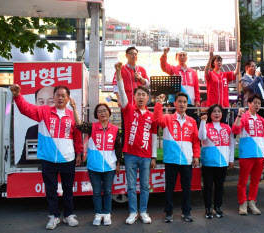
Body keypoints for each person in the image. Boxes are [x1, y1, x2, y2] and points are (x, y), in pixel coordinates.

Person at [10, 84, 83, 230]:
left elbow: (77, 136)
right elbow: (26, 109)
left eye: (63, 95)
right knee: (51, 190)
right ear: (53, 98)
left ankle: (69, 215)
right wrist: (18, 96)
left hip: (67, 159)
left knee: (68, 190)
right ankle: (54, 216)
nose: (60, 98)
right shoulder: (43, 111)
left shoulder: (72, 115)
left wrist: (79, 153)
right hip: (48, 159)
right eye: (57, 95)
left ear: (68, 98)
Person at [115, 62, 158, 225]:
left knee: (145, 186)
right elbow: (120, 88)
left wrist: (154, 156)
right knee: (131, 186)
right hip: (130, 155)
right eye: (138, 94)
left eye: (143, 95)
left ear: (147, 98)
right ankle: (133, 212)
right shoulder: (128, 109)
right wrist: (119, 72)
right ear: (134, 97)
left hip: (146, 157)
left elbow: (154, 136)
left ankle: (144, 212)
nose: (140, 97)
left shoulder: (151, 115)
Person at [70, 100, 122, 226]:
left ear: (109, 113)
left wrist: (118, 163)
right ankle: (98, 214)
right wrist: (75, 108)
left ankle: (107, 214)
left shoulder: (115, 129)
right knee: (97, 192)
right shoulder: (92, 127)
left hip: (110, 166)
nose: (102, 113)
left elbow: (118, 147)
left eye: (104, 110)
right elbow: (79, 124)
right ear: (96, 115)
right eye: (99, 111)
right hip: (94, 166)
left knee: (108, 191)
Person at [153, 92, 200, 223]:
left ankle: (187, 212)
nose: (182, 104)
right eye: (179, 101)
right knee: (169, 188)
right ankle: (168, 213)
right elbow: (156, 120)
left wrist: (196, 156)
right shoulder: (167, 118)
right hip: (171, 160)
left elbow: (196, 141)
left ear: (187, 104)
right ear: (175, 103)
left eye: (184, 102)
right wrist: (159, 103)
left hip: (187, 160)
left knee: (186, 188)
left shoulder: (192, 121)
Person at [232, 93, 264, 215]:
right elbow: (235, 130)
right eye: (255, 103)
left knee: (255, 181)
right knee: (243, 181)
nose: (257, 105)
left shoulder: (262, 120)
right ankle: (242, 203)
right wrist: (238, 115)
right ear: (249, 103)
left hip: (260, 155)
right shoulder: (243, 117)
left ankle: (252, 201)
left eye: (259, 103)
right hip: (246, 154)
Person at [198, 104, 234, 219]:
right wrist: (202, 123)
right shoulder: (206, 125)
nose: (217, 113)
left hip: (222, 163)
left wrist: (231, 159)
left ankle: (217, 207)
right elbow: (201, 137)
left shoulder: (227, 127)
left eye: (219, 111)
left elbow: (232, 144)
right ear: (210, 114)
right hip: (208, 162)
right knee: (208, 186)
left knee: (220, 186)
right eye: (214, 111)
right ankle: (208, 208)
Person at [160, 47, 201, 120]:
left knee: (189, 123)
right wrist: (164, 54)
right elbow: (164, 67)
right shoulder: (173, 69)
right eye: (180, 55)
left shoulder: (193, 72)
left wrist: (197, 100)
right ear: (176, 58)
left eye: (184, 55)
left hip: (190, 103)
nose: (182, 57)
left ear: (186, 58)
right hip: (177, 103)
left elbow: (196, 88)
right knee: (175, 123)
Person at [18, 86, 55, 164]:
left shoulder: (65, 125)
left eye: (51, 101)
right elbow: (24, 161)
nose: (45, 106)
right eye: (41, 102)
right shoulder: (32, 130)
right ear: (35, 104)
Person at [204, 48, 242, 123]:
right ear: (213, 63)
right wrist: (210, 58)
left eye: (220, 61)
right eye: (217, 61)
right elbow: (206, 71)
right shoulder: (211, 74)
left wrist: (238, 60)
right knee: (211, 124)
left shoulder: (225, 75)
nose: (219, 63)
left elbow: (236, 72)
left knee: (223, 124)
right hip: (212, 106)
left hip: (224, 106)